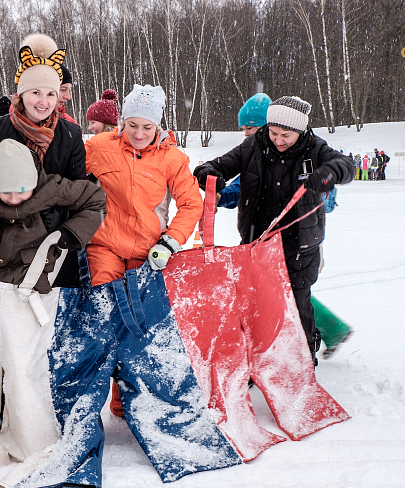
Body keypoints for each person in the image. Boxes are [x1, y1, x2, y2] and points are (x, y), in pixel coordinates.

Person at [0, 138, 106, 469]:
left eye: (20, 191)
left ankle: (31, 444)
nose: (12, 199)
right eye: (5, 193)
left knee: (24, 370)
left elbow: (95, 199)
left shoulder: (52, 188)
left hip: (32, 291)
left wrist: (68, 234)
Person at [194, 96, 355, 364]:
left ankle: (304, 360)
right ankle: (255, 359)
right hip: (257, 242)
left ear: (300, 132)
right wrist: (207, 173)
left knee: (297, 302)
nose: (278, 140)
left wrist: (328, 174)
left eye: (286, 135)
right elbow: (214, 166)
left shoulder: (315, 149)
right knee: (254, 301)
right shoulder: (253, 146)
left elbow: (345, 166)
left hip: (299, 245)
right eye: (273, 132)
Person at [85, 84, 203, 416]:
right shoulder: (97, 147)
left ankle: (130, 400)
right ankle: (90, 403)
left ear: (158, 126)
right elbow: (68, 180)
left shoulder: (173, 158)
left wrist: (170, 241)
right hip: (104, 246)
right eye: (132, 124)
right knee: (105, 324)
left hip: (148, 254)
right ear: (121, 121)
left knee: (140, 328)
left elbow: (191, 205)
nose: (138, 133)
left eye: (147, 127)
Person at [0, 33, 87, 288]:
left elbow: (78, 191)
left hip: (52, 245)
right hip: (4, 243)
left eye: (50, 93)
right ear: (22, 93)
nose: (44, 102)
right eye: (36, 92)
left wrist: (53, 219)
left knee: (53, 321)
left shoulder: (70, 135)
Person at [217, 93, 271, 209]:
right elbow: (243, 184)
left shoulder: (281, 153)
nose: (245, 134)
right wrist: (220, 196)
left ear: (265, 126)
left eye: (249, 128)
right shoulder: (254, 151)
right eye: (244, 129)